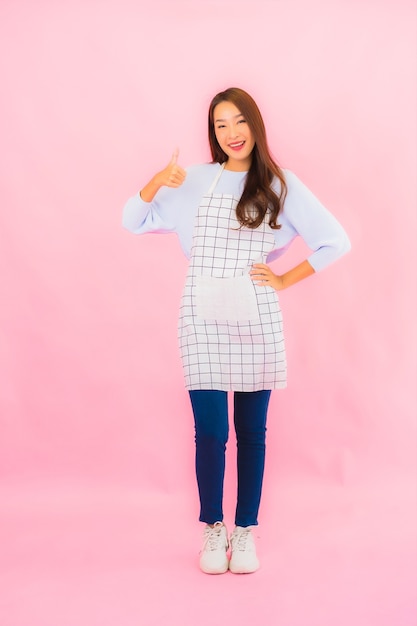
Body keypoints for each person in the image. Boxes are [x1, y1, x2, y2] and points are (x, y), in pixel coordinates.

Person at [122, 87, 351, 575]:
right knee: (210, 431)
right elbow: (132, 220)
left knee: (252, 432)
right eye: (221, 124)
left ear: (255, 124)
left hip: (255, 314)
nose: (231, 133)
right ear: (213, 132)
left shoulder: (280, 183)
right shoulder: (194, 181)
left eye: (239, 121)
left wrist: (286, 279)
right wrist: (157, 181)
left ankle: (245, 531)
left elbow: (336, 241)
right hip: (200, 316)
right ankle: (213, 528)